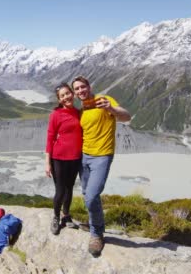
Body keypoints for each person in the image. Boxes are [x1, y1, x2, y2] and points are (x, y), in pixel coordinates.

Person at [71, 75, 131, 257]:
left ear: (89, 86)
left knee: (91, 196)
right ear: (75, 93)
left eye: (83, 87)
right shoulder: (82, 109)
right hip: (84, 157)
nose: (81, 90)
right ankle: (94, 223)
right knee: (86, 194)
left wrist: (111, 108)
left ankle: (97, 235)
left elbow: (126, 117)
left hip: (102, 156)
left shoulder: (104, 100)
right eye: (77, 89)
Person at [45, 83, 82, 235]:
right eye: (62, 96)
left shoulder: (78, 113)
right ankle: (55, 216)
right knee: (60, 190)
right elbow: (50, 138)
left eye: (68, 93)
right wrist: (47, 162)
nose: (66, 97)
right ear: (59, 100)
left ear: (72, 93)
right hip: (58, 158)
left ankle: (66, 215)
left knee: (69, 189)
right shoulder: (56, 114)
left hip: (75, 158)